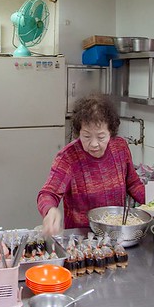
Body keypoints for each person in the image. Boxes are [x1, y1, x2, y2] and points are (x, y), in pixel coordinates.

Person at [38, 93, 145, 235]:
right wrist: (50, 210)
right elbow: (48, 193)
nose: (94, 144)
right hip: (81, 238)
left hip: (117, 233)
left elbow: (133, 184)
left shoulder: (120, 147)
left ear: (111, 132)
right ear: (78, 132)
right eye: (87, 136)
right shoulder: (68, 157)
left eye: (101, 137)